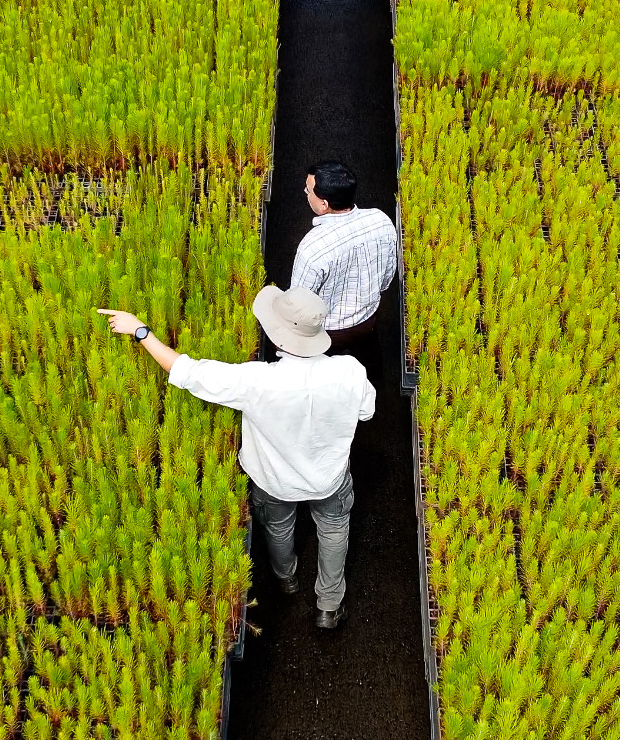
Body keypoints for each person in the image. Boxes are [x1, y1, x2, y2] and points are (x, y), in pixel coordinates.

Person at [98, 286, 375, 629]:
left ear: (279, 338)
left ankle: (286, 580)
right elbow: (366, 412)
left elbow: (188, 372)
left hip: (274, 482)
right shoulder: (350, 371)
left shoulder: (256, 381)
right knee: (334, 533)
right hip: (330, 479)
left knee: (278, 527)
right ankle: (328, 607)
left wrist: (141, 331)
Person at [290, 161, 398, 371]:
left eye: (308, 189)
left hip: (328, 331)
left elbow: (299, 304)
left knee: (321, 371)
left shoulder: (312, 247)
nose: (305, 192)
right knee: (369, 362)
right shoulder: (381, 220)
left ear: (324, 204)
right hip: (368, 319)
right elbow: (387, 278)